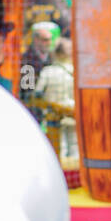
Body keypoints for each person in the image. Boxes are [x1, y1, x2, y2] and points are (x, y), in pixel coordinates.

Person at [35, 37, 78, 166]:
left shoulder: (48, 71)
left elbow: (37, 92)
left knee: (58, 150)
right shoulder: (76, 72)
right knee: (74, 148)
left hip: (52, 116)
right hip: (72, 114)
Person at [19, 21, 56, 109]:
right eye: (45, 40)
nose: (49, 43)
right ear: (36, 40)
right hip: (34, 105)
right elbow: (26, 88)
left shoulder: (53, 57)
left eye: (50, 39)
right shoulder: (27, 59)